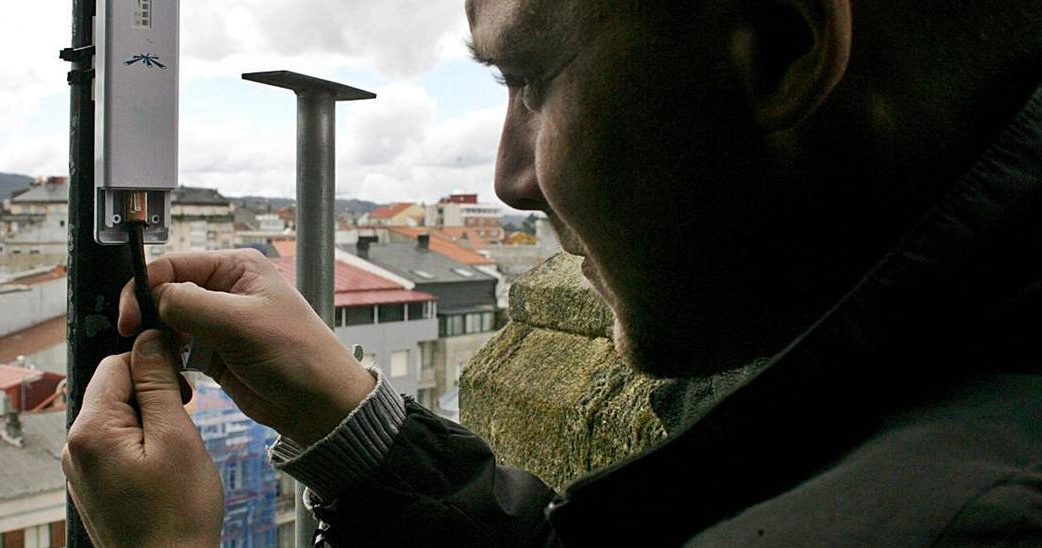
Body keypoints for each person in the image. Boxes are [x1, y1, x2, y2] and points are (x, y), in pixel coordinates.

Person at [62, 0, 1042, 545]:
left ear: (782, 47)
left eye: (528, 78)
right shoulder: (909, 383)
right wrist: (349, 424)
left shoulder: (968, 523)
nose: (507, 178)